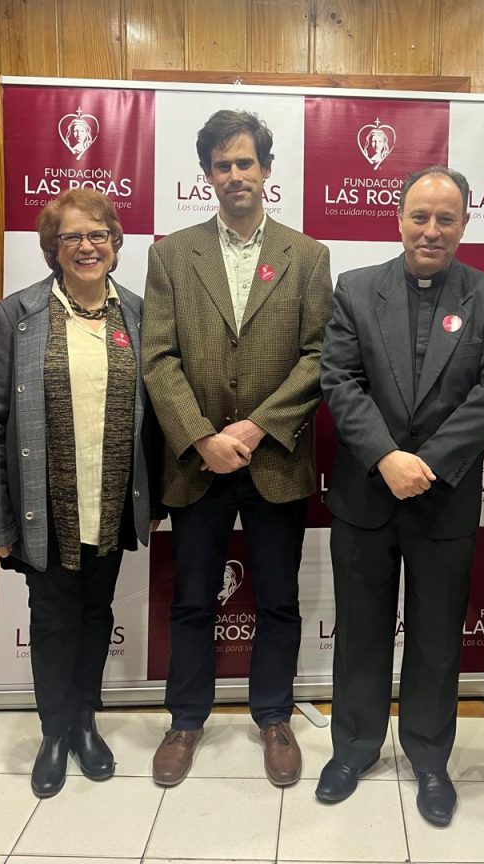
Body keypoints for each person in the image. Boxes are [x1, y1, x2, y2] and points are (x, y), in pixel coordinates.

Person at [317, 165, 484, 826]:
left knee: (435, 639)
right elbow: (340, 381)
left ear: (464, 224)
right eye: (420, 216)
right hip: (366, 494)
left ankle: (430, 758)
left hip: (443, 496)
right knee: (361, 632)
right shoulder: (355, 289)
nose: (432, 230)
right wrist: (387, 457)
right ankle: (354, 748)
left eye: (446, 219)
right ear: (398, 218)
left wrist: (423, 465)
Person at [142, 109, 333, 789]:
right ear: (207, 175)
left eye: (245, 162)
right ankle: (185, 720)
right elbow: (158, 357)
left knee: (279, 599)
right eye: (221, 165)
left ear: (267, 170)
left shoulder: (308, 255)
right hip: (197, 462)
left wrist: (254, 429)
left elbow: (319, 356)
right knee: (193, 599)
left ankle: (274, 716)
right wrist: (201, 436)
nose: (234, 175)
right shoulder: (171, 254)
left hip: (274, 459)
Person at [0, 190, 163, 798]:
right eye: (71, 237)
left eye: (98, 235)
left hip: (111, 501)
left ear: (116, 244)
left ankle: (84, 721)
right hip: (42, 506)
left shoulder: (138, 314)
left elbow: (156, 418)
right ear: (52, 248)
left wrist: (154, 502)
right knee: (52, 618)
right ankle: (54, 733)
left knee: (97, 613)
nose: (86, 246)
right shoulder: (16, 315)